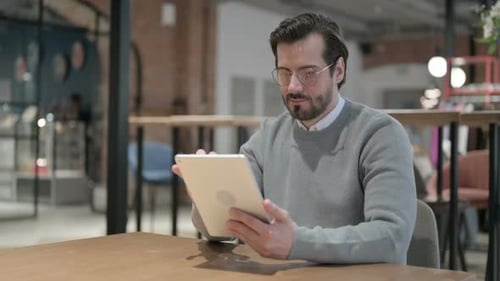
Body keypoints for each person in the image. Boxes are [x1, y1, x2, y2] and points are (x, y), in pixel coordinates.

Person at [172, 13, 416, 264]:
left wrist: (296, 243)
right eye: (284, 73)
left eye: (308, 73)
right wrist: (208, 197)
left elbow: (391, 238)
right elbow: (225, 231)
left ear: (339, 70)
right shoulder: (267, 137)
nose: (293, 87)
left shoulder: (380, 134)